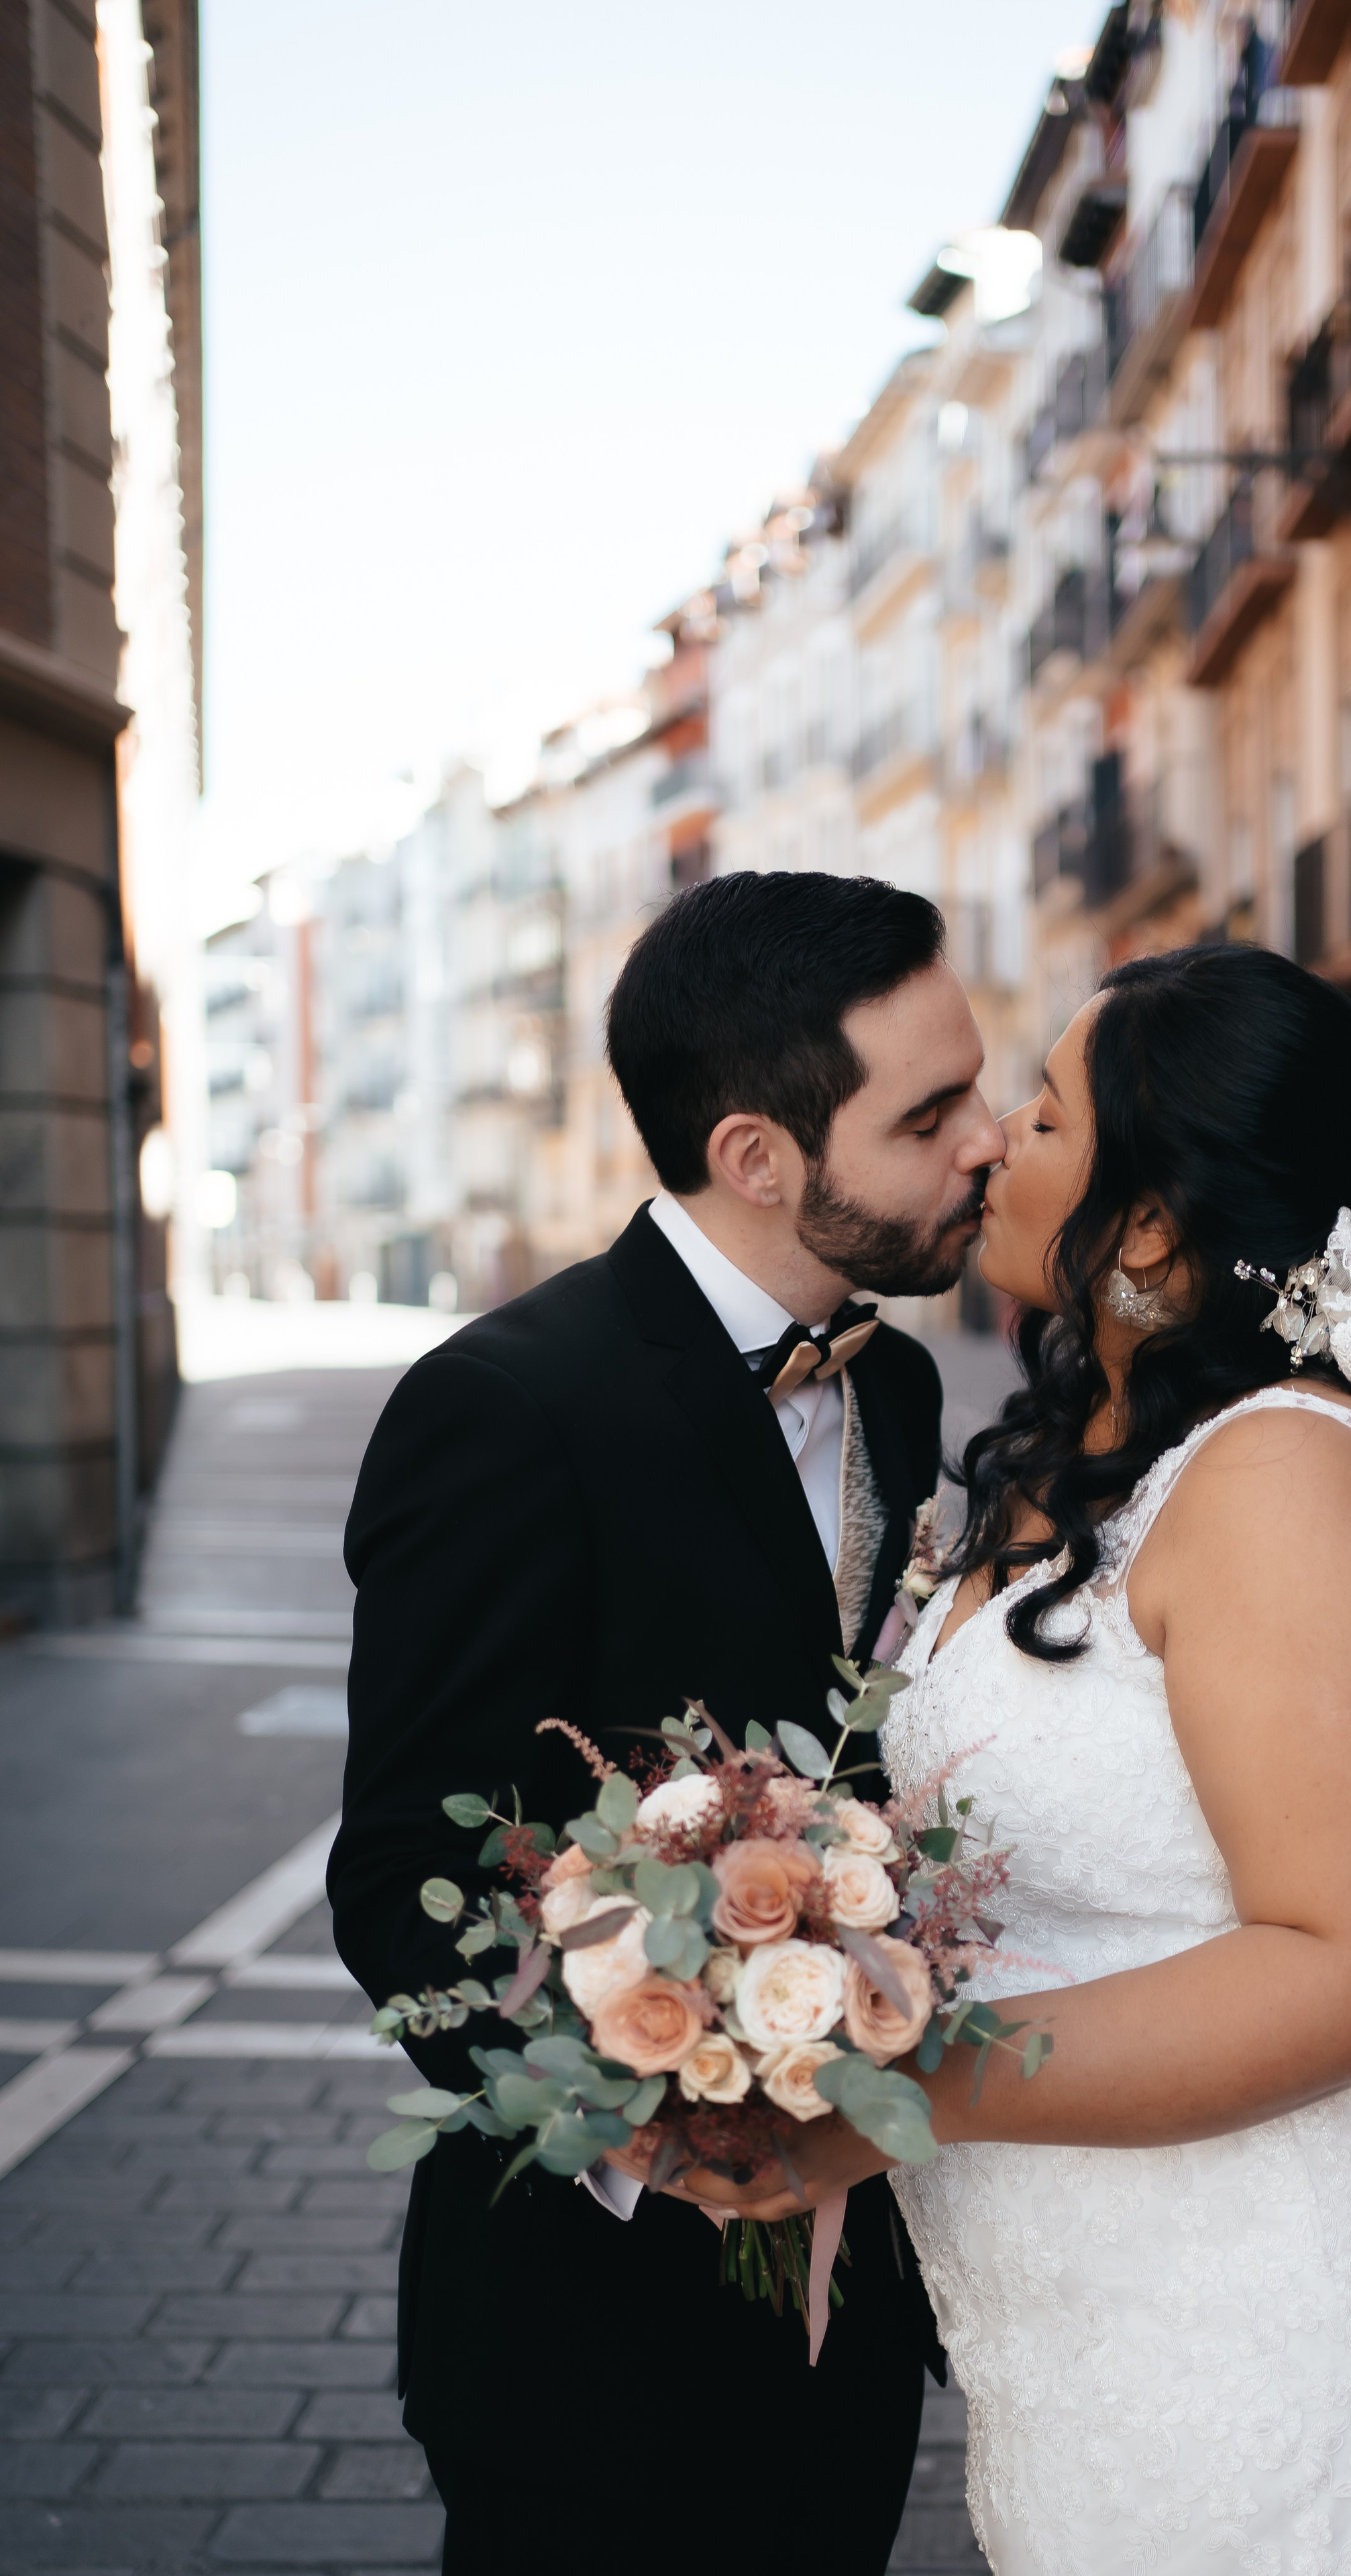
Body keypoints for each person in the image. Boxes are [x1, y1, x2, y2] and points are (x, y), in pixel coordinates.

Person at [702, 943, 1351, 2575]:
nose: (987, 1143)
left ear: (1153, 1227)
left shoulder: (1282, 1484)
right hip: (1096, 2341)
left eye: (1038, 1116)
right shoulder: (1082, 1466)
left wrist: (895, 2084)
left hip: (1269, 2325)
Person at [329, 869, 1004, 2573]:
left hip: (852, 2320)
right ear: (757, 1156)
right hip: (585, 2339)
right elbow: (405, 1869)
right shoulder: (501, 1410)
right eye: (929, 1115)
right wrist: (674, 2132)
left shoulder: (899, 1383)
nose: (986, 1141)